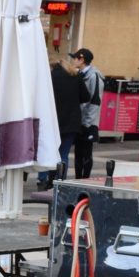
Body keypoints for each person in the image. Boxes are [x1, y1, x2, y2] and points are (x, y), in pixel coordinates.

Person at [36, 57, 87, 190]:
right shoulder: (76, 76)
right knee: (63, 154)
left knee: (47, 151)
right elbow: (86, 97)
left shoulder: (50, 77)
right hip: (71, 122)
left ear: (52, 66)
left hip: (52, 121)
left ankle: (42, 180)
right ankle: (60, 181)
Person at [71, 47, 104, 179]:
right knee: (78, 153)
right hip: (80, 121)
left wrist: (87, 123)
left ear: (82, 59)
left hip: (89, 123)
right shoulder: (79, 74)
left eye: (75, 58)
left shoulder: (94, 76)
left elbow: (95, 101)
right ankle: (78, 179)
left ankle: (85, 180)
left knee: (86, 154)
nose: (73, 60)